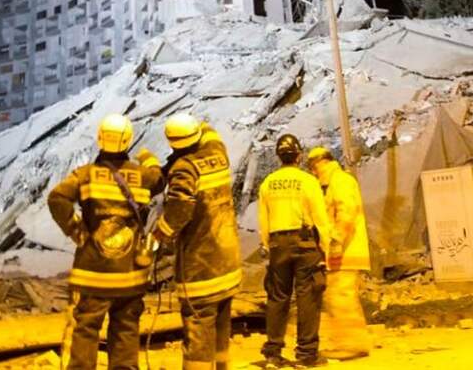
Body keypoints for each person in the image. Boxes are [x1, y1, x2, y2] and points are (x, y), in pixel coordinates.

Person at [47, 113, 165, 370]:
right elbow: (159, 179)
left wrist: (76, 231)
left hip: (92, 276)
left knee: (86, 331)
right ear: (128, 140)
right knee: (125, 332)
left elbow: (57, 199)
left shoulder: (85, 175)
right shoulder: (143, 177)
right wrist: (148, 158)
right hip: (130, 277)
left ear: (100, 138)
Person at [153, 113, 242, 370]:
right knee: (221, 330)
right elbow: (209, 130)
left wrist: (159, 233)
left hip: (200, 271)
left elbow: (179, 210)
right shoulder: (218, 152)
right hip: (228, 263)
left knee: (198, 335)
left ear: (173, 142)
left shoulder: (184, 169)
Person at [257, 134, 331, 368]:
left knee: (278, 297)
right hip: (304, 243)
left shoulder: (268, 182)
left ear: (278, 156)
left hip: (278, 244)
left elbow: (263, 221)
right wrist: (325, 250)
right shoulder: (308, 181)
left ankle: (273, 353)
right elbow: (320, 218)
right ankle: (306, 354)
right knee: (307, 296)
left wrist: (269, 247)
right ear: (298, 155)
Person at [307, 146, 371, 360]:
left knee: (341, 297)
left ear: (319, 163)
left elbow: (347, 212)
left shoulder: (341, 181)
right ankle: (350, 342)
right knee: (338, 297)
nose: (314, 172)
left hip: (346, 250)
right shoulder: (334, 182)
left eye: (313, 167)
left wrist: (336, 241)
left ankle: (351, 345)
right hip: (342, 250)